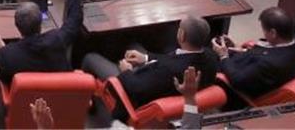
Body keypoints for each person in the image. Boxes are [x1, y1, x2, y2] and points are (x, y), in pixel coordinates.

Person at [82, 15, 218, 123]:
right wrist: (146, 58)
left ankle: (86, 102)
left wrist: (126, 71)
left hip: (133, 90)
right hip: (154, 80)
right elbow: (173, 59)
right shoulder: (211, 57)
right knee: (134, 46)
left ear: (181, 35)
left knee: (90, 58)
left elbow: (135, 88)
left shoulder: (167, 70)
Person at [0, 0, 84, 87]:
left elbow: (5, 80)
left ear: (17, 26)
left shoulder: (8, 54)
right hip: (61, 95)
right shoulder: (57, 38)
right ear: (40, 23)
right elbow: (76, 17)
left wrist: (5, 50)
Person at [213, 7, 295, 105]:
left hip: (235, 86)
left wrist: (223, 56)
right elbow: (269, 51)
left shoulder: (269, 64)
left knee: (204, 56)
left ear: (273, 33)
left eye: (264, 30)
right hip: (250, 66)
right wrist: (240, 50)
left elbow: (237, 79)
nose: (264, 34)